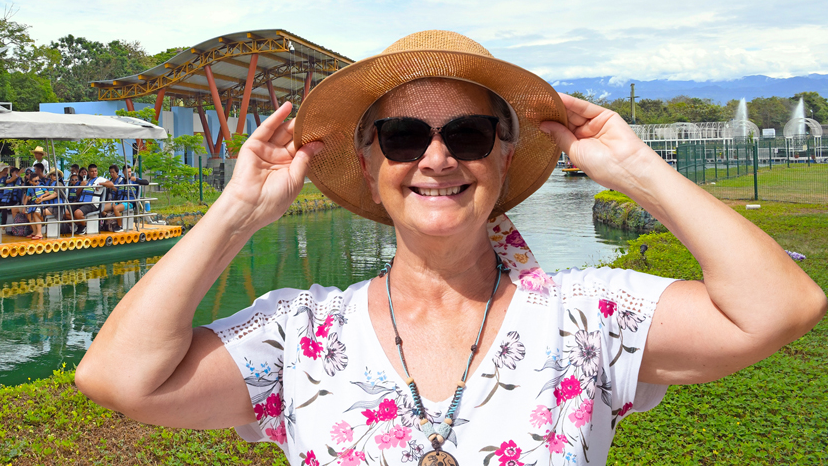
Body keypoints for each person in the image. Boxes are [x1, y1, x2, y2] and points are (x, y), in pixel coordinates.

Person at [75, 31, 826, 466]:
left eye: (466, 134)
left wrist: (636, 171)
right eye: (404, 136)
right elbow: (119, 376)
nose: (436, 158)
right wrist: (236, 213)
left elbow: (781, 306)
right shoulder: (300, 333)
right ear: (370, 166)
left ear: (502, 158)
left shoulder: (585, 316)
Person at [70, 164, 116, 233]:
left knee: (77, 213)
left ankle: (84, 226)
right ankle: (80, 224)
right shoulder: (86, 181)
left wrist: (101, 184)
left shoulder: (99, 179)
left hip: (92, 204)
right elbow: (77, 194)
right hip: (82, 202)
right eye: (92, 171)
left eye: (95, 171)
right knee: (66, 212)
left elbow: (111, 184)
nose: (94, 173)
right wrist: (81, 186)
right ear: (88, 172)